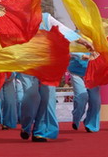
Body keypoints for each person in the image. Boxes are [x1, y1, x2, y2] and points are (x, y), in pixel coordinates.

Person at [19, 12, 86, 142]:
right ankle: (26, 125)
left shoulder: (45, 18)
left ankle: (40, 131)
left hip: (47, 64)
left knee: (46, 97)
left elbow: (62, 30)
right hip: (26, 64)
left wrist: (82, 41)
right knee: (30, 96)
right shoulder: (17, 18)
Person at [68, 51, 101, 132]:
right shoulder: (74, 38)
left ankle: (91, 125)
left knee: (95, 101)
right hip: (76, 72)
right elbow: (67, 51)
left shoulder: (97, 39)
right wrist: (83, 55)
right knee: (82, 96)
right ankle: (76, 118)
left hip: (93, 72)